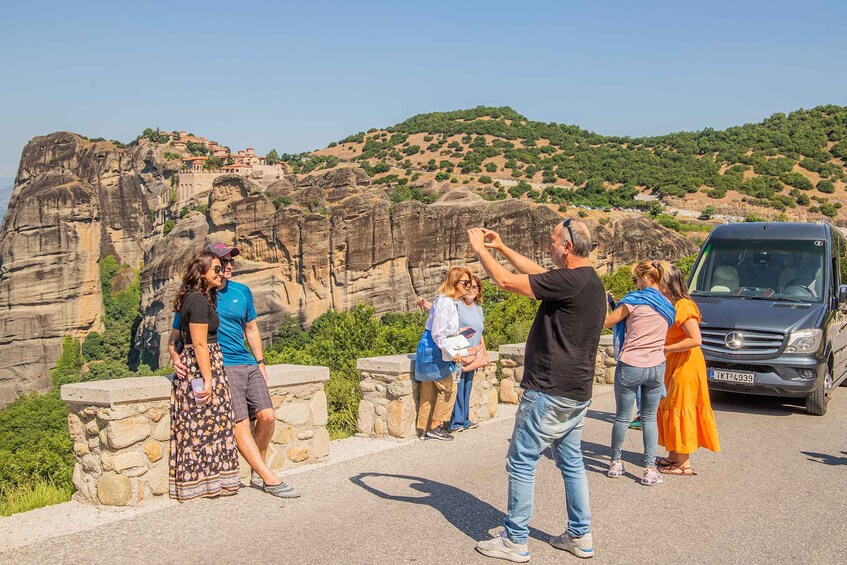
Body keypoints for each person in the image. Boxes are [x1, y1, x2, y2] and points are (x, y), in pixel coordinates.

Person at [470, 219, 606, 562]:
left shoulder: (571, 281)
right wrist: (500, 247)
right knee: (572, 463)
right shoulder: (588, 282)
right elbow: (539, 275)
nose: (549, 244)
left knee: (521, 461)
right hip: (577, 390)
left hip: (549, 388)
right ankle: (580, 536)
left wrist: (479, 251)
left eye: (552, 240)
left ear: (567, 247)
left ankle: (515, 540)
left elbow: (504, 281)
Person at [169, 242, 300, 499]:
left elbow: (251, 328)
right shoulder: (200, 296)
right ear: (207, 265)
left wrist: (260, 362)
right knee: (239, 423)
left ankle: (256, 467)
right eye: (221, 263)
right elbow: (178, 336)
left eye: (229, 263)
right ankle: (267, 477)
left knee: (268, 416)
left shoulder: (242, 291)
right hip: (221, 367)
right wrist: (175, 356)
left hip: (247, 362)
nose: (227, 267)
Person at [169, 250, 240, 501]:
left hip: (196, 364)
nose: (221, 273)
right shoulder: (198, 301)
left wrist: (176, 357)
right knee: (207, 424)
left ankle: (203, 482)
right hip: (204, 365)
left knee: (200, 426)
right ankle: (207, 483)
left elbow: (174, 340)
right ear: (202, 273)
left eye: (222, 269)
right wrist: (209, 380)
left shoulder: (192, 298)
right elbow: (199, 344)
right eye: (216, 269)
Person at [603, 260, 676, 486]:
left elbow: (606, 322)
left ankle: (615, 463)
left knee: (622, 417)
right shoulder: (667, 305)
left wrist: (606, 304)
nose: (635, 284)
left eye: (636, 279)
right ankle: (650, 468)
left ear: (645, 279)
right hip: (656, 366)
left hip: (631, 365)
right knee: (649, 418)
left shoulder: (631, 302)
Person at [656, 262, 721, 476]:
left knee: (680, 405)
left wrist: (665, 347)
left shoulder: (684, 305)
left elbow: (695, 339)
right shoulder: (672, 304)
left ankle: (684, 464)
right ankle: (674, 455)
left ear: (668, 283)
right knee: (670, 403)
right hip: (675, 361)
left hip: (686, 363)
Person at [413, 267, 473, 442]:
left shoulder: (444, 300)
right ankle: (436, 426)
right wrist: (453, 353)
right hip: (436, 349)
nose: (468, 287)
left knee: (428, 390)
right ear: (455, 283)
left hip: (429, 347)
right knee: (449, 388)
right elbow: (438, 333)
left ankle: (423, 427)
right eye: (465, 283)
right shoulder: (447, 302)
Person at [450, 274, 488, 432]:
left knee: (467, 386)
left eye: (475, 287)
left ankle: (465, 419)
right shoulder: (456, 305)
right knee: (457, 387)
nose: (472, 289)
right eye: (469, 286)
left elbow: (480, 333)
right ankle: (456, 422)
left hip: (473, 353)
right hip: (459, 353)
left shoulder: (478, 309)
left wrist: (485, 353)